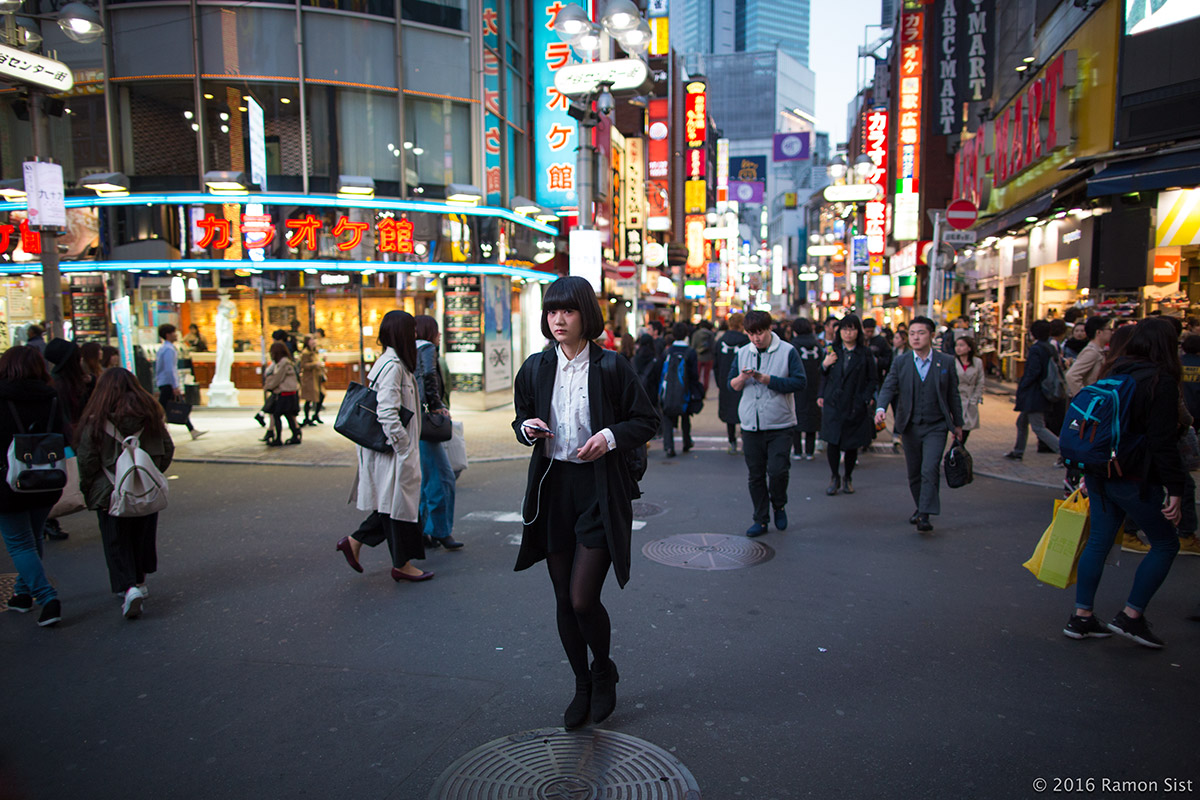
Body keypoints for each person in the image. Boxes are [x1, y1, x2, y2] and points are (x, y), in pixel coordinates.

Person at [511, 275, 658, 729]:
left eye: (568, 311)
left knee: (581, 597)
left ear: (585, 317)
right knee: (561, 596)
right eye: (552, 311)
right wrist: (527, 429)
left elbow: (646, 420)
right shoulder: (535, 368)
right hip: (554, 487)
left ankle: (603, 670)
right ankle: (581, 683)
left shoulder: (611, 366)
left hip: (598, 489)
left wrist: (610, 437)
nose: (558, 319)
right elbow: (520, 421)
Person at [1063, 318, 1187, 649]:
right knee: (1165, 543)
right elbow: (1162, 442)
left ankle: (1082, 616)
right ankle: (1131, 616)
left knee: (1099, 541)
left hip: (1100, 472)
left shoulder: (1114, 372)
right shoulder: (1160, 382)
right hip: (1134, 477)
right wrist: (1176, 488)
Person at [335, 310, 432, 583]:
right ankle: (402, 564)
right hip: (394, 451)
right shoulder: (393, 367)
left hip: (392, 451)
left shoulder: (393, 362)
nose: (414, 335)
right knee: (397, 507)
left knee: (393, 504)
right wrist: (402, 446)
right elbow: (387, 411)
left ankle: (354, 543)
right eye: (411, 330)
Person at [76, 368, 174, 619]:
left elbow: (87, 458)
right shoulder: (150, 414)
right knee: (142, 533)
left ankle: (128, 587)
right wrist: (149, 472)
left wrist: (88, 486)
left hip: (109, 489)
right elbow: (167, 448)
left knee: (116, 539)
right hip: (144, 486)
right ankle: (140, 581)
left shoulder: (96, 419)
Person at [874, 317, 964, 533]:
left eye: (921, 333)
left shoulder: (946, 361)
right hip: (910, 425)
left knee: (929, 468)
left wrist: (958, 424)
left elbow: (953, 394)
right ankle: (920, 506)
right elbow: (889, 386)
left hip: (937, 425)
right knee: (914, 471)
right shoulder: (902, 361)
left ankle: (925, 514)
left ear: (932, 335)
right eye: (912, 333)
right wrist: (880, 409)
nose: (915, 337)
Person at [0, 346, 66, 627]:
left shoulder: (2, 397)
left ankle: (46, 597)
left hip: (7, 481)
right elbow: (63, 434)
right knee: (34, 536)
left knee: (19, 543)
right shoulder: (50, 396)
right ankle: (21, 594)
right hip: (47, 478)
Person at [730, 310, 806, 536]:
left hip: (780, 423)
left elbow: (800, 382)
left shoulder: (788, 351)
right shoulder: (743, 352)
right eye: (751, 334)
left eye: (759, 333)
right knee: (755, 475)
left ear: (769, 328)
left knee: (777, 471)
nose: (756, 338)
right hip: (750, 424)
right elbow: (731, 383)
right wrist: (743, 378)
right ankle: (760, 519)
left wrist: (767, 380)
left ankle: (779, 504)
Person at [415, 315, 462, 551]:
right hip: (426, 423)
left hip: (413, 424)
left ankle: (424, 530)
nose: (440, 336)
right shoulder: (425, 349)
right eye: (437, 331)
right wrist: (437, 406)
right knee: (442, 477)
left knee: (426, 479)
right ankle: (440, 531)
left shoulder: (405, 351)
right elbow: (428, 378)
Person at [819, 314, 877, 497]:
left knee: (852, 444)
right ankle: (834, 476)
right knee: (833, 442)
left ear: (857, 331)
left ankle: (848, 477)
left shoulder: (865, 353)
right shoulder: (833, 350)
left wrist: (866, 398)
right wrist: (825, 365)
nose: (848, 333)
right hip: (834, 403)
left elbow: (873, 378)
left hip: (855, 403)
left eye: (852, 329)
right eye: (844, 329)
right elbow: (823, 376)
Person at [1004, 320, 1060, 460]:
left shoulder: (1036, 349)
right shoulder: (1050, 347)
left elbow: (1033, 372)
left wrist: (1023, 385)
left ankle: (1063, 451)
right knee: (1022, 422)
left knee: (1038, 426)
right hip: (1043, 390)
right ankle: (1018, 451)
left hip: (1034, 393)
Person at [648, 322, 700, 457]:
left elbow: (659, 371)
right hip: (685, 391)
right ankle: (686, 442)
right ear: (686, 335)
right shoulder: (691, 352)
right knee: (685, 417)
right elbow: (694, 375)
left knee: (668, 418)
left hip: (669, 392)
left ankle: (669, 447)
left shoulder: (667, 352)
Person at [155, 324, 205, 440]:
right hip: (168, 383)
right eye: (174, 332)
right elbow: (170, 369)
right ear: (168, 335)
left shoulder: (164, 348)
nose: (176, 335)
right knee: (164, 408)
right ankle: (156, 429)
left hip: (164, 382)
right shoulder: (168, 349)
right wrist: (175, 385)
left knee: (173, 406)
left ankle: (191, 429)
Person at [715, 313, 751, 455]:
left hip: (725, 381)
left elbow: (715, 364)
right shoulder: (746, 342)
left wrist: (719, 382)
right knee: (743, 411)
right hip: (743, 381)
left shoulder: (721, 341)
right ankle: (745, 442)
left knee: (729, 412)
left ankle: (731, 442)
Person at [790, 317, 823, 461]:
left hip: (797, 386)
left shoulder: (792, 345)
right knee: (812, 418)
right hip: (815, 385)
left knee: (796, 417)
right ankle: (810, 451)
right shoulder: (817, 344)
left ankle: (797, 451)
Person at [263, 342, 301, 446]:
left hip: (285, 394)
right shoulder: (287, 361)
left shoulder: (283, 363)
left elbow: (278, 378)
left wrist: (268, 387)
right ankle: (295, 435)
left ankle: (278, 438)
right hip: (290, 393)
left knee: (277, 415)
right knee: (288, 415)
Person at [1065, 316, 1112, 398]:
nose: (1111, 332)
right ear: (1098, 332)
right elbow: (1072, 375)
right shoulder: (1091, 352)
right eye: (1109, 329)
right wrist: (1085, 398)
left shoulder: (1098, 351)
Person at [953, 335, 984, 446]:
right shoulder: (952, 362)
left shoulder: (977, 362)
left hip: (970, 399)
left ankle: (955, 455)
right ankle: (954, 456)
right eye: (957, 345)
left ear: (969, 348)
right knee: (956, 430)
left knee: (965, 430)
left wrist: (975, 398)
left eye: (962, 345)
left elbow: (980, 382)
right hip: (956, 399)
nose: (958, 348)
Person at [298, 336, 326, 426]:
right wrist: (315, 364)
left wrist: (322, 361)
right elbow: (303, 365)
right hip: (309, 378)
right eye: (312, 341)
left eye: (314, 340)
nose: (314, 342)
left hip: (316, 377)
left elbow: (317, 361)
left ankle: (315, 415)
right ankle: (307, 418)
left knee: (321, 395)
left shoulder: (315, 351)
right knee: (309, 398)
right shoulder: (306, 353)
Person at [862, 317, 892, 383]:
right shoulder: (859, 340)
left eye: (871, 331)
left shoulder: (880, 341)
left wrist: (878, 361)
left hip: (877, 376)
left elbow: (888, 358)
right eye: (867, 331)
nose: (869, 333)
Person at [691, 320, 716, 395]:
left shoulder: (696, 334)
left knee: (697, 375)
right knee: (706, 376)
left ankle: (697, 391)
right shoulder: (710, 334)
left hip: (698, 357)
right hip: (708, 358)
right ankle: (704, 391)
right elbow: (713, 347)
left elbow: (693, 346)